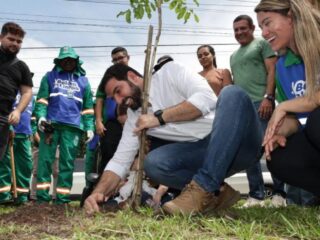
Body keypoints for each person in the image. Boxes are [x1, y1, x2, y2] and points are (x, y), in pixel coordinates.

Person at [84, 61, 265, 216]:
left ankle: (204, 187)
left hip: (241, 143)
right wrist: (97, 193)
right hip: (206, 155)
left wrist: (159, 118)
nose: (118, 101)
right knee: (154, 163)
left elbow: (206, 99)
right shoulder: (134, 117)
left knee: (232, 93)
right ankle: (216, 192)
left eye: (118, 91)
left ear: (132, 77)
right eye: (113, 98)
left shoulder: (170, 72)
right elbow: (120, 161)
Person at [255, 0, 320, 200]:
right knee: (279, 157)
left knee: (316, 121)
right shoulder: (282, 66)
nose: (264, 33)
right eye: (260, 27)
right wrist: (279, 132)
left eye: (267, 23)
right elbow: (293, 118)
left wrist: (283, 106)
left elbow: (292, 107)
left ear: (290, 17)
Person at [230, 15, 286, 207]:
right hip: (244, 109)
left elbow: (272, 70)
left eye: (243, 28)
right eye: (236, 30)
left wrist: (268, 98)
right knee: (249, 152)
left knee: (270, 147)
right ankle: (256, 196)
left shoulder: (262, 44)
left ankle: (280, 194)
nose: (239, 32)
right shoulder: (233, 56)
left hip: (262, 104)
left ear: (252, 28)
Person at [34, 46, 94, 204]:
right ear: (59, 61)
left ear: (76, 61)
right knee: (45, 161)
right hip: (51, 127)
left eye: (71, 59)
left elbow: (88, 109)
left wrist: (89, 128)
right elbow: (41, 101)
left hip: (73, 128)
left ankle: (62, 200)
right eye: (64, 59)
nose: (68, 62)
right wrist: (41, 118)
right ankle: (42, 199)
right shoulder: (49, 77)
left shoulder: (84, 82)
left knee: (67, 163)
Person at [0, 22, 33, 161]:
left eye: (19, 41)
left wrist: (18, 111)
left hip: (3, 119)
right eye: (11, 39)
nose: (15, 43)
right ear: (1, 37)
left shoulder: (22, 67)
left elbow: (27, 92)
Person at [0, 93, 34, 204]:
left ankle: (22, 196)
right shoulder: (9, 91)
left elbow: (32, 117)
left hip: (25, 135)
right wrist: (9, 127)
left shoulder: (30, 97)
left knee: (26, 165)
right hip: (9, 134)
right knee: (6, 164)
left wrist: (32, 131)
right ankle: (4, 196)